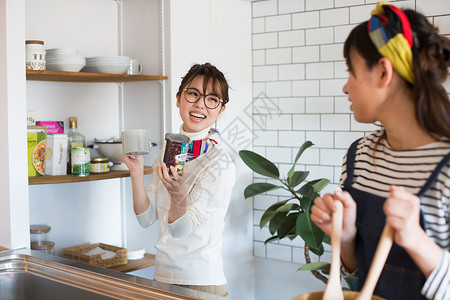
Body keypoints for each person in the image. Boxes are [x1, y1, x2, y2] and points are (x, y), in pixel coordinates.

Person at [310, 2, 450, 300]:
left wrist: (415, 239)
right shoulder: (359, 156)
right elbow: (357, 268)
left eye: (352, 71)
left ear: (384, 73)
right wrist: (345, 235)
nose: (345, 87)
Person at [122, 63, 235, 297]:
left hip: (200, 282)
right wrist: (136, 172)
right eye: (193, 94)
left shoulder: (219, 162)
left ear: (220, 110)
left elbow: (181, 230)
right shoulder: (171, 149)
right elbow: (147, 218)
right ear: (178, 98)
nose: (200, 105)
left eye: (212, 99)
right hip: (162, 277)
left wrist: (178, 196)